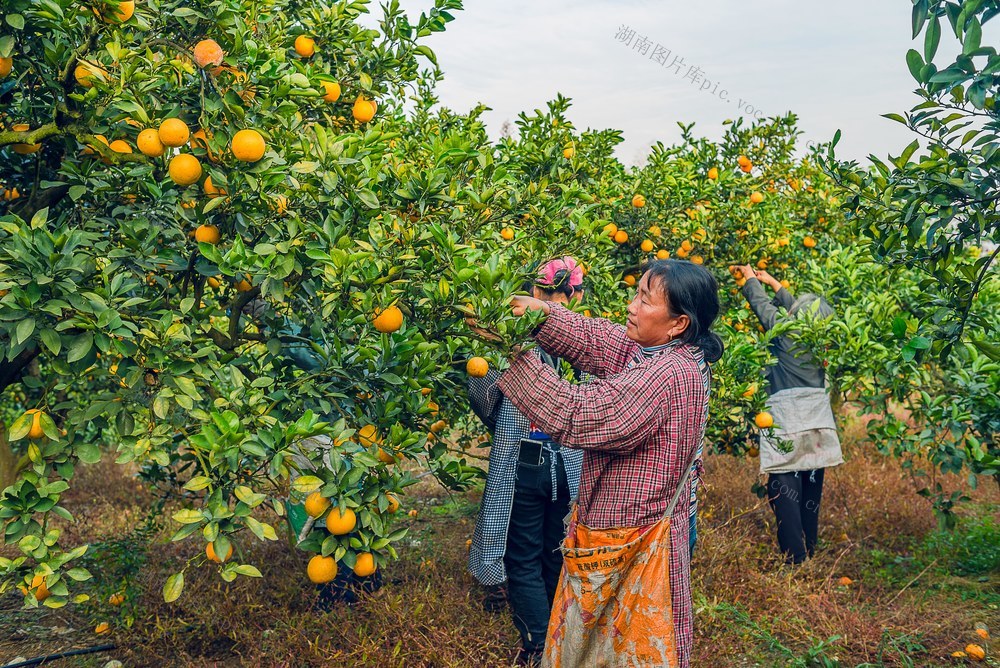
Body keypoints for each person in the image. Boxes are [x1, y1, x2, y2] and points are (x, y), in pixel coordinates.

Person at [487, 259, 722, 668]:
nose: (632, 306)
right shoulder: (657, 351)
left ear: (678, 323)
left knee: (619, 649)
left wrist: (513, 352)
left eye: (645, 300)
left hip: (631, 541)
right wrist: (542, 314)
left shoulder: (667, 373)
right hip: (621, 536)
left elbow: (577, 413)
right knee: (602, 645)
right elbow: (598, 340)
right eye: (637, 294)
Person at [466, 257, 586, 666]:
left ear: (533, 292)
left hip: (525, 461)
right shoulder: (587, 344)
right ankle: (558, 634)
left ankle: (536, 644)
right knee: (556, 552)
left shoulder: (509, 338)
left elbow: (483, 392)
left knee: (522, 555)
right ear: (577, 295)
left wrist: (502, 420)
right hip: (569, 466)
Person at [734, 265, 843, 565]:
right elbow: (798, 310)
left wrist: (753, 280)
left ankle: (795, 557)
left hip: (787, 422)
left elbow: (761, 307)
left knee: (783, 487)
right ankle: (810, 547)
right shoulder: (817, 338)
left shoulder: (784, 334)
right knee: (810, 483)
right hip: (817, 425)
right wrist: (773, 282)